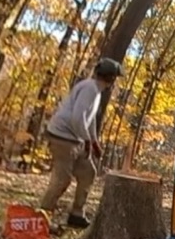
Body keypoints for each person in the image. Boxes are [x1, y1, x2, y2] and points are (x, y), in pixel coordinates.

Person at [40, 57, 121, 228]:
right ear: (110, 77)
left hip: (75, 138)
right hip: (63, 137)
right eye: (114, 78)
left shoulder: (96, 91)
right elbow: (78, 117)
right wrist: (86, 140)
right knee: (62, 179)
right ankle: (43, 215)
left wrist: (94, 141)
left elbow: (89, 120)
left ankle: (77, 213)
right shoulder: (90, 89)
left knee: (88, 172)